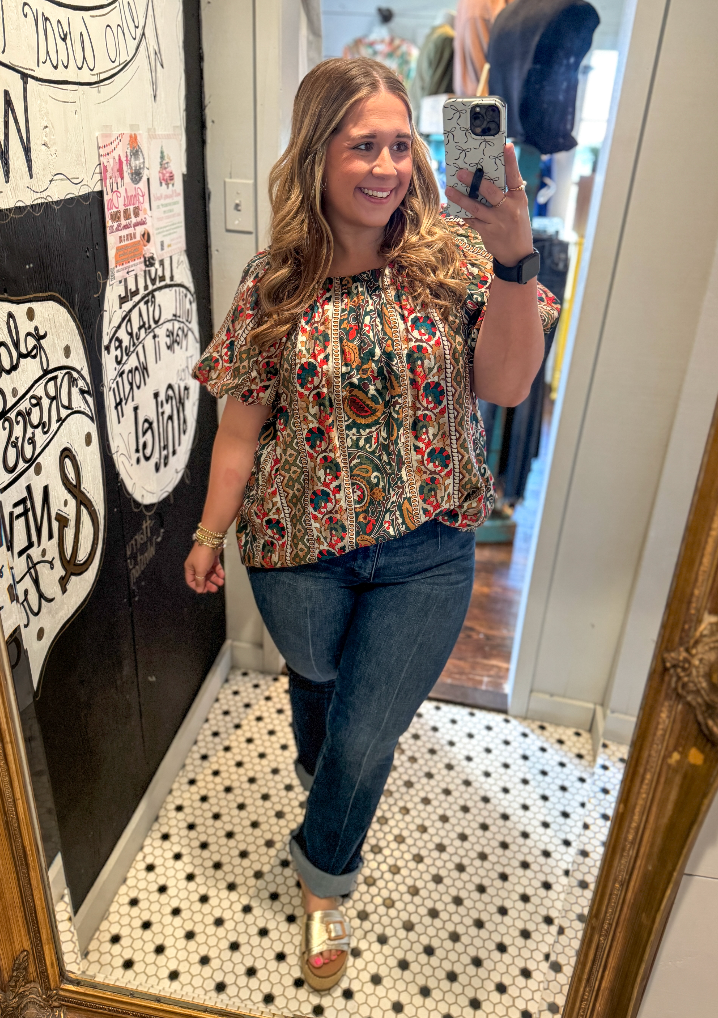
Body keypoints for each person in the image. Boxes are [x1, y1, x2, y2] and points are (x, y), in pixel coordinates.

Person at [185, 56, 558, 992]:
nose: (387, 165)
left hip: (426, 551)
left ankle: (323, 880)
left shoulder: (458, 262)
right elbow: (239, 423)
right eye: (363, 145)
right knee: (319, 685)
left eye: (400, 143)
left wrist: (516, 255)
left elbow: (508, 385)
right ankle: (333, 796)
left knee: (360, 738)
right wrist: (204, 533)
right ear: (317, 155)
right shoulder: (274, 281)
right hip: (294, 549)